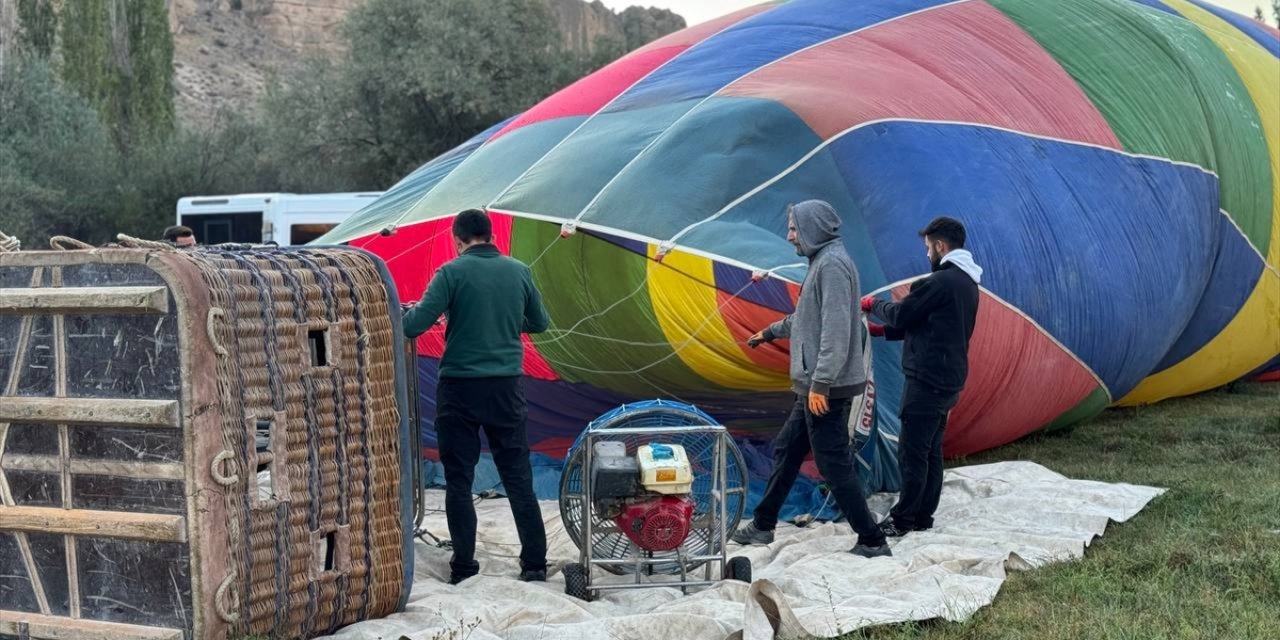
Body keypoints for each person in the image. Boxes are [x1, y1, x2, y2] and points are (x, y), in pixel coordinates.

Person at [731, 200, 891, 559]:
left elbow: (835, 330)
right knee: (788, 449)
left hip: (826, 389)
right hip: (815, 386)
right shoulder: (822, 263)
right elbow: (805, 318)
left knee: (833, 462)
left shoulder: (832, 266)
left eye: (793, 228)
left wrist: (821, 384)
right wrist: (769, 332)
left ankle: (872, 539)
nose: (789, 236)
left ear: (813, 228)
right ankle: (763, 524)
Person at [402, 208, 552, 584]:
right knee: (518, 479)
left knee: (458, 480)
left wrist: (406, 314)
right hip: (507, 388)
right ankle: (534, 565)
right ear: (492, 236)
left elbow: (415, 325)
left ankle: (464, 567)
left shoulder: (450, 273)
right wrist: (501, 320)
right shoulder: (519, 271)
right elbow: (540, 323)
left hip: (460, 389)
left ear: (458, 240)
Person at [861, 216, 980, 537]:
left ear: (940, 246)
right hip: (949, 377)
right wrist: (882, 332)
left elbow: (904, 313)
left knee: (912, 451)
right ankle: (922, 515)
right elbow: (929, 325)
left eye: (928, 248)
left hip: (927, 380)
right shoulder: (967, 283)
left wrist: (873, 305)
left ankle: (903, 519)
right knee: (929, 449)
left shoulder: (940, 282)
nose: (927, 254)